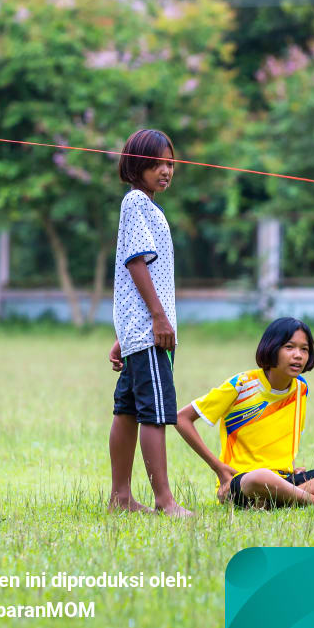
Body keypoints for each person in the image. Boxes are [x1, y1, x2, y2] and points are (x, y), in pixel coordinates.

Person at [174, 317, 314, 508]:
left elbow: (288, 436)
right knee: (260, 476)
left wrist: (290, 467)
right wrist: (218, 467)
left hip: (286, 479)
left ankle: (279, 500)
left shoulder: (301, 388)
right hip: (244, 482)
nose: (298, 355)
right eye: (289, 347)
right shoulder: (241, 385)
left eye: (304, 349)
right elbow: (182, 419)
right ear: (271, 347)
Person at [106, 129, 191, 517]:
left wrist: (123, 335)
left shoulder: (145, 206)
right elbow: (136, 262)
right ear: (136, 165)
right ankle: (164, 500)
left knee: (126, 410)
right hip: (149, 332)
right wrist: (158, 317)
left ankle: (120, 497)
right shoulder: (137, 202)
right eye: (156, 163)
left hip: (137, 331)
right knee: (155, 413)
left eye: (170, 163)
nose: (166, 170)